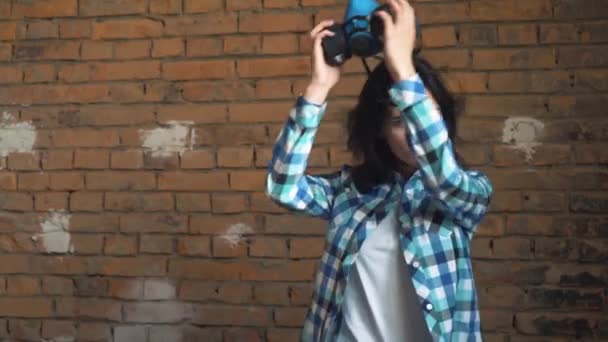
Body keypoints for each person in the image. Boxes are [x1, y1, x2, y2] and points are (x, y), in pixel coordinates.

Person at [266, 0, 494, 341]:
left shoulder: (469, 194)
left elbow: (445, 180)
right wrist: (319, 87)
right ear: (380, 132)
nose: (416, 132)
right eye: (400, 121)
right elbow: (283, 187)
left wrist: (404, 69)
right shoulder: (350, 192)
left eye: (425, 116)